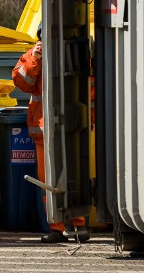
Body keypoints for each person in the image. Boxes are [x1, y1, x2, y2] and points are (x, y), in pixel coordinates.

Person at [12, 24, 90, 243]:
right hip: (44, 131)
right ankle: (56, 226)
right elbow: (22, 83)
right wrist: (36, 58)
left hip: (71, 128)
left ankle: (78, 225)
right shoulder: (32, 56)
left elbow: (88, 85)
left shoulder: (74, 53)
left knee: (73, 177)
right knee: (49, 181)